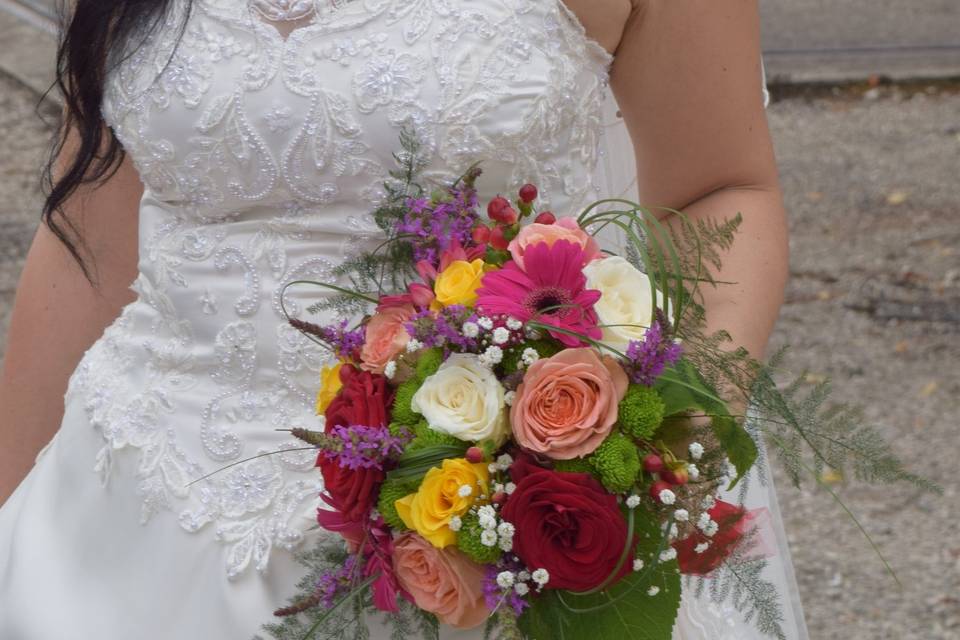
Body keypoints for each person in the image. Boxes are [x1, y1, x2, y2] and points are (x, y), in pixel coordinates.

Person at [0, 0, 807, 637]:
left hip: (474, 535)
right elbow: (88, 240)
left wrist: (642, 456)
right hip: (120, 519)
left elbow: (718, 189)